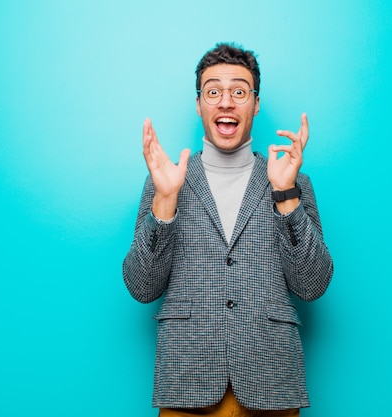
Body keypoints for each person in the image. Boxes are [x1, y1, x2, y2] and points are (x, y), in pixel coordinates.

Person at [123, 42, 333, 417]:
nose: (225, 102)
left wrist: (285, 195)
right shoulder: (165, 183)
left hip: (271, 380)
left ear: (254, 104)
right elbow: (142, 287)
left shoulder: (292, 181)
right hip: (187, 381)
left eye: (239, 91)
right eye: (213, 91)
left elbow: (312, 285)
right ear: (199, 103)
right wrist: (165, 203)